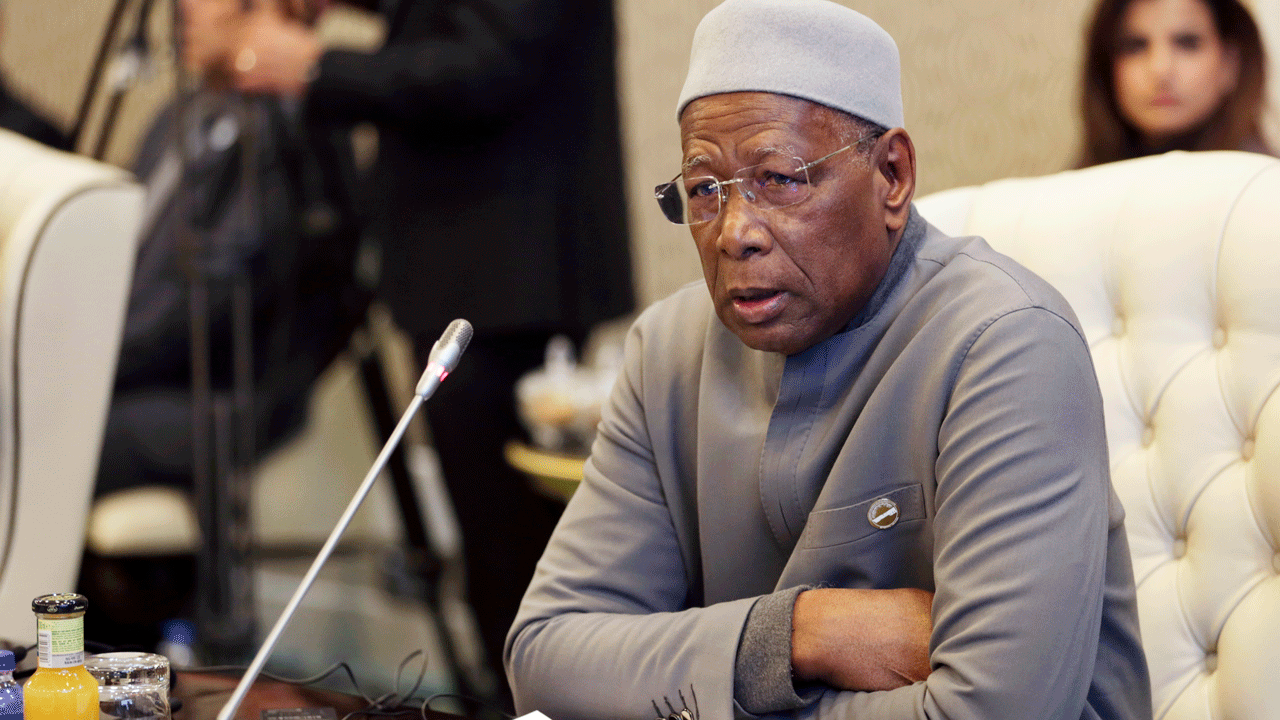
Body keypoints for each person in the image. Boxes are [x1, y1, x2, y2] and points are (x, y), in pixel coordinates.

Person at [505, 1, 1152, 719]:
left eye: (779, 179)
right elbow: (544, 658)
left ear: (892, 176)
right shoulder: (668, 350)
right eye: (704, 190)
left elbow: (996, 712)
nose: (734, 233)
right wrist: (801, 633)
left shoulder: (1005, 343)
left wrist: (697, 683)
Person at [179, 0, 635, 706]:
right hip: (474, 258)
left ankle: (533, 701)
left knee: (516, 555)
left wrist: (317, 67)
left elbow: (492, 62)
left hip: (509, 266)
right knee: (491, 550)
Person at [1077, 0, 1274, 167]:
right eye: (1134, 46)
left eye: (1187, 43)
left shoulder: (1267, 185)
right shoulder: (1071, 191)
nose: (1160, 69)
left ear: (1230, 63)